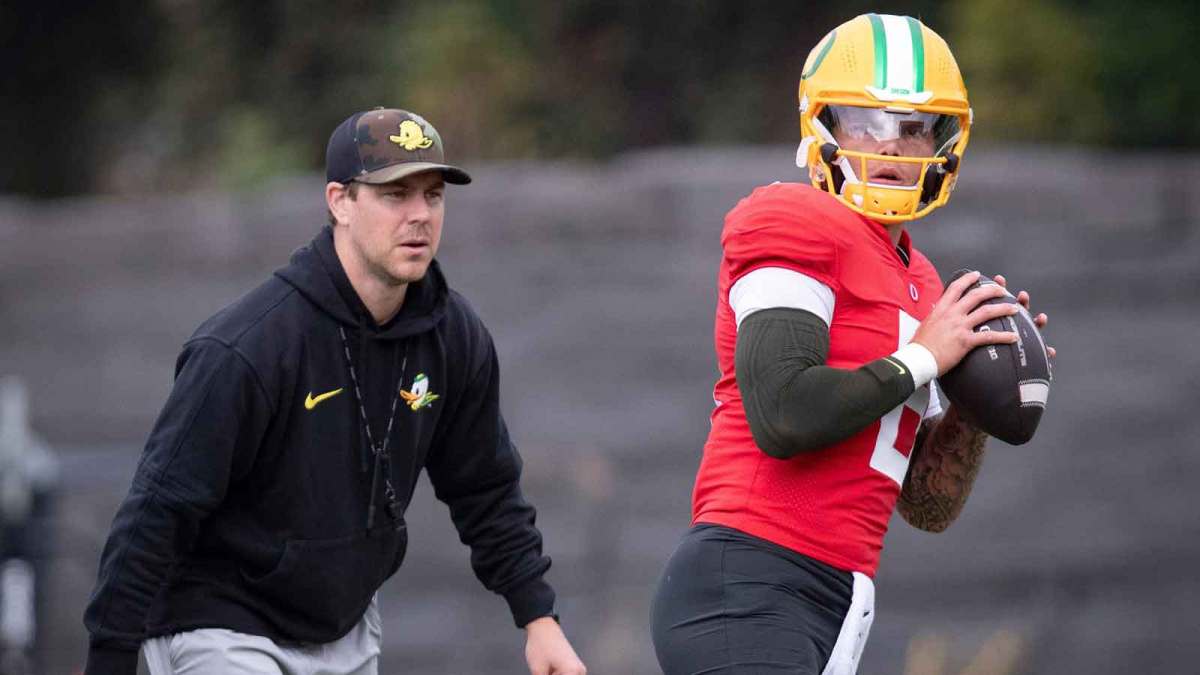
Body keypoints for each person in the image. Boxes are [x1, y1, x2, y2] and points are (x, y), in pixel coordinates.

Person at [83, 108, 587, 675]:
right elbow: (159, 508)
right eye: (396, 194)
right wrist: (110, 655)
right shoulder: (251, 346)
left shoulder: (452, 337)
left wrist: (539, 622)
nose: (420, 215)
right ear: (340, 202)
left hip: (342, 629)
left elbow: (486, 490)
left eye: (433, 195)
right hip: (222, 623)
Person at [650, 14, 1054, 675]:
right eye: (868, 123)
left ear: (943, 140)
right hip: (748, 579)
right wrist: (926, 356)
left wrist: (975, 400)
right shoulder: (791, 218)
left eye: (914, 127)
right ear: (824, 129)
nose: (892, 147)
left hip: (834, 597)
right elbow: (782, 412)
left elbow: (925, 503)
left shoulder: (921, 281)